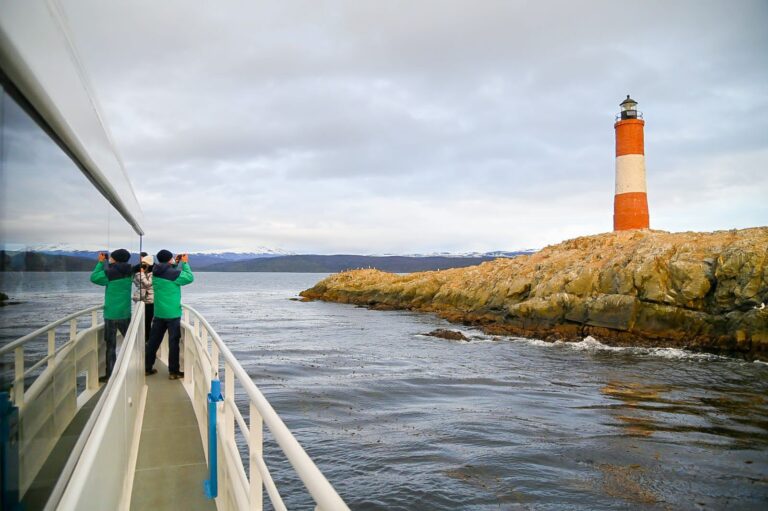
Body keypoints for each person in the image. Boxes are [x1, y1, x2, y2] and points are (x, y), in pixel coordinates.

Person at [145, 250, 194, 379]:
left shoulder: (155, 271)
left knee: (153, 342)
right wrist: (185, 263)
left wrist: (175, 262)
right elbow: (189, 277)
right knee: (173, 343)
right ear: (169, 260)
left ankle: (147, 367)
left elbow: (167, 271)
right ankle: (173, 372)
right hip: (172, 314)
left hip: (159, 313)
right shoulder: (174, 274)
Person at [90, 248, 133, 381]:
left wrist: (100, 262)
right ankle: (135, 369)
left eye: (112, 257)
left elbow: (94, 278)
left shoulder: (109, 273)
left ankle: (110, 375)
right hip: (125, 313)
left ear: (115, 259)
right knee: (131, 343)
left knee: (111, 346)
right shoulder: (130, 272)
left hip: (111, 314)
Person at [133, 253, 154, 343]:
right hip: (141, 300)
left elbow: (148, 284)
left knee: (147, 321)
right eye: (142, 264)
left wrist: (142, 274)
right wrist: (140, 273)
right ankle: (144, 339)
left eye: (145, 264)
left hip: (150, 301)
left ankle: (147, 340)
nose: (144, 266)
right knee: (141, 321)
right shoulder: (139, 273)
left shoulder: (153, 274)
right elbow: (137, 283)